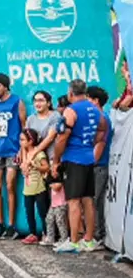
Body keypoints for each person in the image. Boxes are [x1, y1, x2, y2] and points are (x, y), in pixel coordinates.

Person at [52, 79, 108, 253]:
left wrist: (56, 160)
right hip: (88, 158)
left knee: (73, 201)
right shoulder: (94, 108)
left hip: (74, 159)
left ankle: (74, 241)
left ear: (70, 93)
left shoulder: (71, 110)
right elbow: (103, 128)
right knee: (88, 199)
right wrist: (90, 143)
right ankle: (89, 240)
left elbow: (62, 137)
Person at [0, 72, 26, 239]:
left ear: (5, 86)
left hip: (12, 149)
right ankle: (0, 223)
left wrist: (22, 150)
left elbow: (24, 126)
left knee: (10, 185)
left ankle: (12, 224)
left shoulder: (17, 102)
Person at [87, 85, 111, 247]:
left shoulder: (103, 119)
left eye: (88, 99)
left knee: (96, 201)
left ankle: (98, 236)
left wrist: (90, 163)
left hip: (99, 166)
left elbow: (101, 144)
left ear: (95, 101)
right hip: (94, 166)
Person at [19, 129, 49, 244]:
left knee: (42, 212)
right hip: (28, 188)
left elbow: (46, 167)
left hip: (39, 188)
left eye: (23, 140)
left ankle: (47, 233)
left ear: (30, 141)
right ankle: (33, 233)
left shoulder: (39, 154)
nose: (20, 142)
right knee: (29, 211)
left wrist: (36, 166)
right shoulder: (24, 153)